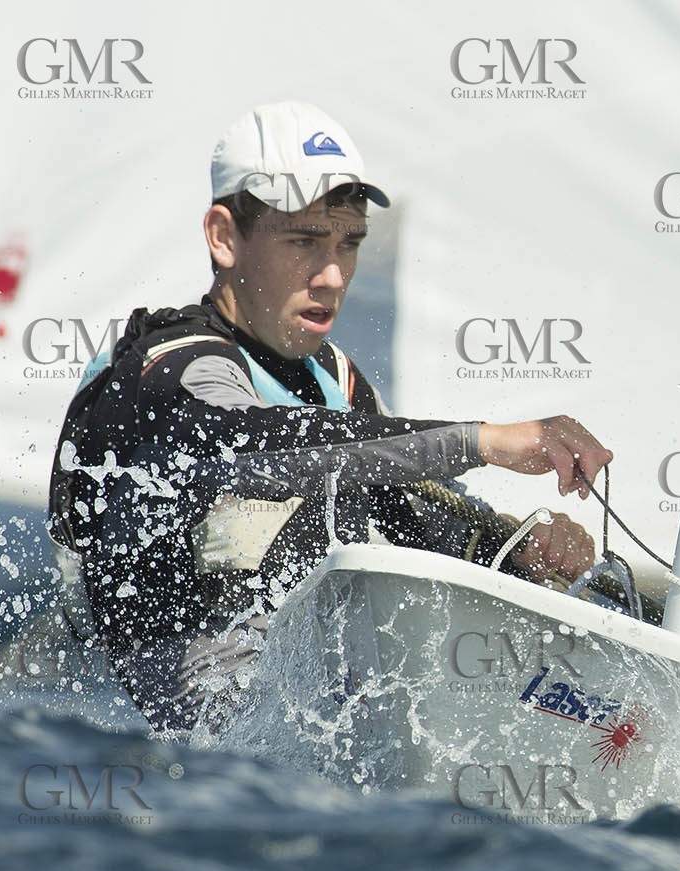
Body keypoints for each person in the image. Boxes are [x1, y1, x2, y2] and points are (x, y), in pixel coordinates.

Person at [47, 101, 611, 730]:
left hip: (291, 723)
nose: (334, 276)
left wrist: (518, 547)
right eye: (305, 242)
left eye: (350, 243)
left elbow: (412, 513)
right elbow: (270, 449)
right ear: (224, 237)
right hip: (144, 742)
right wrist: (480, 441)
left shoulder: (335, 381)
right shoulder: (169, 367)